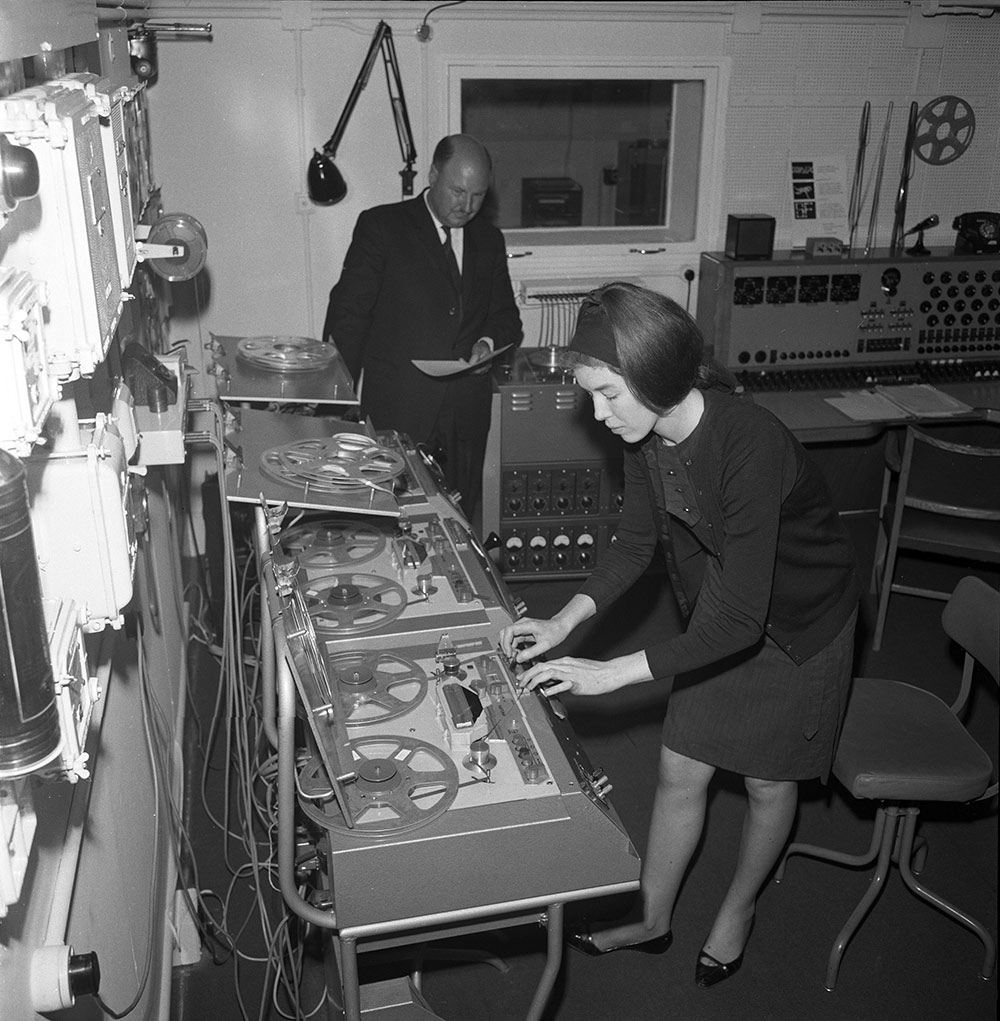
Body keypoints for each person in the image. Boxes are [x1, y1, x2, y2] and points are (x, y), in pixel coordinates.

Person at [499, 282, 860, 988]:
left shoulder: (746, 440)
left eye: (607, 393)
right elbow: (636, 541)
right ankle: (653, 916)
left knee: (764, 778)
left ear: (656, 377)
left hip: (799, 622)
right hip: (726, 609)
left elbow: (742, 621)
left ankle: (739, 908)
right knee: (679, 767)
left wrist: (607, 673)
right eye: (590, 395)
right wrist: (564, 619)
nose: (598, 415)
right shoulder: (649, 432)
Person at [323, 133, 522, 519]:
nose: (466, 205)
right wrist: (334, 404)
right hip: (400, 409)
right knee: (394, 518)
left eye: (478, 196)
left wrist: (487, 342)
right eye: (458, 191)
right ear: (432, 174)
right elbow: (349, 317)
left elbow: (506, 317)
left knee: (457, 518)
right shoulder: (381, 227)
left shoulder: (489, 240)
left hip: (466, 415)